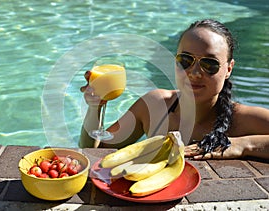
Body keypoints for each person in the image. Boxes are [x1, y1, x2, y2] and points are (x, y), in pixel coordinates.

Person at [80, 19, 269, 160]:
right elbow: (94, 151)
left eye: (209, 64)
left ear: (229, 68)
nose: (194, 73)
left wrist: (243, 144)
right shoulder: (155, 106)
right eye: (185, 60)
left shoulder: (243, 120)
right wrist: (94, 107)